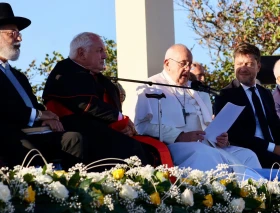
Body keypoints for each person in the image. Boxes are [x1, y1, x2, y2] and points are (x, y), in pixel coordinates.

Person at [134, 44, 261, 172]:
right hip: (174, 145)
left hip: (206, 145)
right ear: (167, 64)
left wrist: (220, 139)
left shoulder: (196, 89)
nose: (187, 68)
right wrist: (179, 136)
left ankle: (257, 191)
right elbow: (143, 126)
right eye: (183, 63)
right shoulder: (152, 87)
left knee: (248, 156)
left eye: (189, 64)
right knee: (205, 154)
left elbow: (208, 126)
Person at [42, 32, 152, 166]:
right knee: (131, 149)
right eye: (99, 51)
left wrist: (122, 126)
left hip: (96, 129)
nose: (104, 56)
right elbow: (87, 105)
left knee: (147, 149)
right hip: (74, 129)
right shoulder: (66, 72)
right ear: (81, 53)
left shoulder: (97, 77)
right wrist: (120, 119)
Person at [0, 3, 84, 168]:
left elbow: (31, 105)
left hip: (34, 131)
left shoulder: (19, 76)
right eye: (13, 33)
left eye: (19, 33)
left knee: (74, 139)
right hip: (8, 135)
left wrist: (48, 117)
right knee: (33, 154)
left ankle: (73, 191)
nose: (19, 38)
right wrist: (38, 115)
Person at [214, 42, 280, 168]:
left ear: (258, 67)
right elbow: (234, 134)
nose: (243, 68)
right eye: (239, 64)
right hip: (248, 154)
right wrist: (272, 148)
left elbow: (275, 125)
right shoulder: (226, 95)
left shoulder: (265, 93)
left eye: (249, 64)